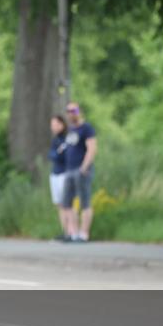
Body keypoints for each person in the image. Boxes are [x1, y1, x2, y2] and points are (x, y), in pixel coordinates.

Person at [61, 102, 97, 242]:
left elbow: (92, 148)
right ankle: (74, 233)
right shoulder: (70, 130)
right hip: (69, 170)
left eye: (73, 110)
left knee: (85, 202)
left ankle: (84, 233)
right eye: (68, 111)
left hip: (81, 169)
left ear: (79, 111)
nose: (71, 113)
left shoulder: (86, 128)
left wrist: (84, 166)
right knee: (67, 203)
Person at [48, 115, 70, 239]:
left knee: (67, 203)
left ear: (61, 124)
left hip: (64, 173)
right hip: (55, 174)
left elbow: (63, 156)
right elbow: (52, 156)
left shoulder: (66, 139)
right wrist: (56, 153)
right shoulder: (55, 140)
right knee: (60, 205)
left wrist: (57, 154)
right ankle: (65, 231)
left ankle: (71, 231)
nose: (52, 127)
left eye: (55, 124)